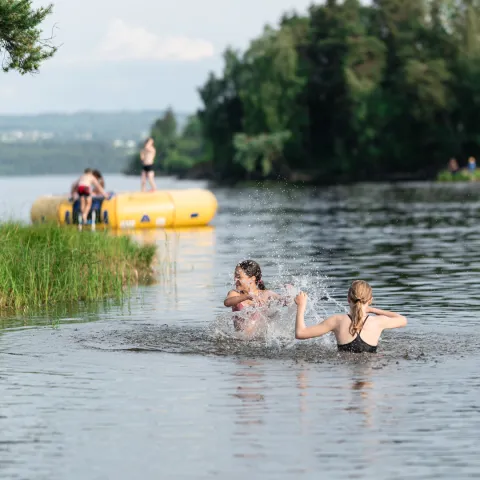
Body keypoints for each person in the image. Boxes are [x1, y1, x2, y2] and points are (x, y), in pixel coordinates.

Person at [294, 280, 407, 353]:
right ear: (370, 300)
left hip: (344, 374)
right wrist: (373, 310)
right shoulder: (378, 322)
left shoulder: (337, 321)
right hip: (371, 369)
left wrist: (301, 306)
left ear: (348, 299)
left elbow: (300, 333)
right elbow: (403, 320)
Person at [224, 260, 291, 335]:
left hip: (259, 341)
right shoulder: (235, 294)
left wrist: (289, 294)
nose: (235, 279)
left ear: (252, 278)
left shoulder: (266, 294)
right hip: (240, 340)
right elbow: (227, 302)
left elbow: (284, 301)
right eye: (235, 276)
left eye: (239, 277)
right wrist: (247, 296)